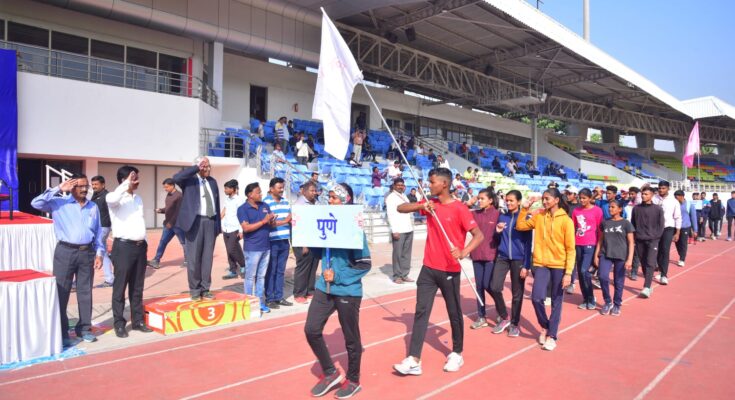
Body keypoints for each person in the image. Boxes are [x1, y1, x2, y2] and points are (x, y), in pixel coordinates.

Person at [393, 168, 484, 375]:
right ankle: (414, 359)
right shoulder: (430, 205)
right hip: (428, 269)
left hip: (450, 270)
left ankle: (457, 353)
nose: (429, 185)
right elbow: (400, 208)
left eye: (432, 182)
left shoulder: (460, 209)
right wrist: (420, 205)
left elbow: (478, 236)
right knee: (421, 312)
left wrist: (464, 251)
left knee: (454, 312)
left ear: (444, 184)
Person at [305, 183, 371, 399]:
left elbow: (364, 264)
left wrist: (339, 276)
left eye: (334, 198)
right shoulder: (326, 224)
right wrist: (308, 238)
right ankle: (331, 372)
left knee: (351, 339)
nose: (330, 201)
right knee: (311, 330)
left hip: (348, 291)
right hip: (324, 288)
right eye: (329, 197)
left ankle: (353, 380)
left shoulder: (354, 229)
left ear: (345, 200)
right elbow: (318, 252)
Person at [31, 175, 105, 345]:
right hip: (65, 252)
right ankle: (62, 332)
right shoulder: (59, 203)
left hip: (86, 253)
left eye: (86, 186)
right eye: (80, 186)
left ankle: (84, 329)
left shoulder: (93, 207)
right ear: (71, 187)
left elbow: (98, 232)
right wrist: (57, 189)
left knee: (85, 292)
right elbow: (36, 203)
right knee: (61, 292)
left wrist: (99, 253)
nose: (85, 189)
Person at [515, 188, 575, 351]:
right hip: (541, 263)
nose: (545, 201)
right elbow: (520, 226)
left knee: (556, 301)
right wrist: (525, 208)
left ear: (556, 200)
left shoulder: (566, 221)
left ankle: (552, 335)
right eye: (543, 198)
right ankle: (546, 325)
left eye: (547, 198)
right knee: (536, 298)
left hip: (559, 265)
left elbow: (571, 249)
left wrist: (568, 273)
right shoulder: (539, 216)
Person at [106, 166, 153, 338]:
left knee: (137, 286)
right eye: (134, 178)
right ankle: (119, 323)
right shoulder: (115, 198)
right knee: (120, 287)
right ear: (124, 180)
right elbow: (111, 199)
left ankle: (138, 321)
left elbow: (139, 221)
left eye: (137, 178)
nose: (137, 181)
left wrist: (145, 242)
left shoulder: (138, 199)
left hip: (140, 247)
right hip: (123, 247)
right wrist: (126, 184)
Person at [174, 156, 221, 301]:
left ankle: (205, 289)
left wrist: (217, 225)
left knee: (207, 258)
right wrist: (196, 168)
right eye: (204, 166)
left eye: (208, 166)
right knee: (194, 258)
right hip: (195, 222)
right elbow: (176, 178)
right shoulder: (189, 180)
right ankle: (195, 290)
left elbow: (217, 204)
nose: (207, 169)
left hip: (210, 221)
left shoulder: (212, 182)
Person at [489, 190, 532, 336]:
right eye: (507, 200)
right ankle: (504, 316)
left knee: (516, 293)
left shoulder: (525, 217)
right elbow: (496, 238)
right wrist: (497, 231)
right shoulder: (502, 216)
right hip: (502, 257)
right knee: (494, 287)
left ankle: (514, 323)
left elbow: (528, 243)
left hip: (519, 259)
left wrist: (526, 265)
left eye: (512, 201)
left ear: (519, 202)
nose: (508, 203)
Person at [239, 183, 276, 313]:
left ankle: (261, 303)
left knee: (261, 277)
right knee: (250, 277)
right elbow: (246, 228)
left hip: (266, 247)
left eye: (260, 192)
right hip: (252, 248)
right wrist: (264, 221)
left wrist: (271, 221)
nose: (261, 194)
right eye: (258, 192)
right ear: (250, 195)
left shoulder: (265, 206)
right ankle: (249, 304)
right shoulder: (242, 209)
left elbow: (270, 225)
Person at [594, 199, 635, 316]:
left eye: (613, 207)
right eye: (609, 207)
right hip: (605, 254)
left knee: (618, 281)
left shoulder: (626, 223)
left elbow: (631, 242)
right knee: (602, 277)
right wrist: (596, 255)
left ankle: (617, 304)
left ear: (620, 209)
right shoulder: (605, 222)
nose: (610, 209)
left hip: (621, 256)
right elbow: (600, 240)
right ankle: (607, 301)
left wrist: (630, 259)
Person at [467, 189, 501, 330]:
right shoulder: (474, 214)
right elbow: (459, 213)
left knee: (488, 285)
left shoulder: (499, 214)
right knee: (479, 287)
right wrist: (468, 204)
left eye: (482, 198)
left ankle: (501, 310)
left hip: (491, 255)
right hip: (476, 255)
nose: (479, 200)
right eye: (478, 198)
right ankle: (481, 316)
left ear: (491, 200)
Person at [263, 178, 293, 309]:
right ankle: (270, 298)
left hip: (284, 241)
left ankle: (279, 297)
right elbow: (269, 223)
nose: (282, 190)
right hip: (271, 241)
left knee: (281, 271)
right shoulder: (265, 203)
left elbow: (291, 218)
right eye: (279, 188)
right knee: (271, 270)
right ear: (271, 189)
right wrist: (286, 220)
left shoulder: (286, 202)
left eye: (282, 188)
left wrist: (284, 221)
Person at [571, 188, 603, 308]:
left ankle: (591, 297)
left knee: (585, 271)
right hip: (578, 244)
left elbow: (600, 231)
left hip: (591, 244)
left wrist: (598, 250)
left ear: (590, 198)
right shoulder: (576, 211)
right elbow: (573, 228)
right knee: (580, 272)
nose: (582, 200)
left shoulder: (597, 211)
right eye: (580, 198)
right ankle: (585, 299)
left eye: (584, 198)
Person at [631, 187, 665, 298]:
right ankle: (648, 284)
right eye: (642, 194)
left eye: (646, 194)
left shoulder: (658, 209)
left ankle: (646, 286)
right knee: (644, 263)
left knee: (650, 262)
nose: (643, 196)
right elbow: (633, 224)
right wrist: (635, 237)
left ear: (651, 195)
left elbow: (661, 225)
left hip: (653, 240)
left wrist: (656, 237)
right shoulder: (636, 209)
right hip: (640, 239)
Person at [292, 181, 321, 303]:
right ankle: (299, 293)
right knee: (303, 266)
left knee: (313, 266)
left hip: (314, 239)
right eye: (312, 190)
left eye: (315, 190)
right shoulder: (300, 204)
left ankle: (310, 291)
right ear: (304, 191)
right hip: (302, 240)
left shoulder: (316, 203)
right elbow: (299, 226)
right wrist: (304, 244)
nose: (314, 193)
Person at [149, 178, 185, 270]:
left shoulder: (179, 196)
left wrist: (171, 223)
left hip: (177, 225)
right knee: (163, 242)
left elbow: (178, 212)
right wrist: (161, 210)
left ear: (172, 185)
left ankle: (188, 261)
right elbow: (169, 209)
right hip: (168, 224)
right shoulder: (168, 195)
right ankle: (156, 260)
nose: (165, 189)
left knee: (184, 243)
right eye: (164, 187)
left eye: (167, 187)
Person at [652, 180, 681, 285]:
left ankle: (664, 275)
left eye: (663, 188)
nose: (661, 190)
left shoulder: (674, 201)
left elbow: (677, 217)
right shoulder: (654, 199)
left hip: (668, 228)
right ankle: (660, 269)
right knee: (656, 251)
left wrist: (677, 232)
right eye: (659, 188)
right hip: (655, 229)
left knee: (665, 250)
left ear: (668, 189)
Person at [386, 178, 414, 284]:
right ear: (394, 186)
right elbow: (390, 215)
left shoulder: (404, 196)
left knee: (406, 254)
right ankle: (397, 276)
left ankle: (405, 274)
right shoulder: (391, 198)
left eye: (402, 185)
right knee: (397, 254)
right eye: (398, 185)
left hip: (408, 228)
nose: (400, 186)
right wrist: (394, 230)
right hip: (399, 230)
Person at [91, 175, 113, 288]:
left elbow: (113, 212)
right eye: (93, 184)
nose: (94, 186)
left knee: (94, 250)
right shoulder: (94, 196)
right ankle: (110, 279)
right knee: (103, 253)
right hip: (97, 228)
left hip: (103, 227)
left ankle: (83, 280)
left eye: (96, 184)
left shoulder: (107, 196)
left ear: (103, 185)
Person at [220, 179, 245, 280]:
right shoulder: (227, 199)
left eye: (226, 188)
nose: (225, 190)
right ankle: (233, 270)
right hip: (226, 228)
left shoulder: (239, 200)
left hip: (235, 228)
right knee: (229, 250)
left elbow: (241, 215)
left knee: (231, 249)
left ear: (233, 189)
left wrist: (241, 230)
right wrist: (218, 223)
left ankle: (243, 265)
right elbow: (224, 211)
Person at [674, 190, 697, 267]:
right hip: (676, 227)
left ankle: (682, 259)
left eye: (677, 197)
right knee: (677, 243)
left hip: (685, 226)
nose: (676, 199)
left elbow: (693, 217)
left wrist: (695, 229)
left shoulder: (689, 205)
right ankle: (681, 254)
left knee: (683, 243)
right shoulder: (674, 204)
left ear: (682, 196)